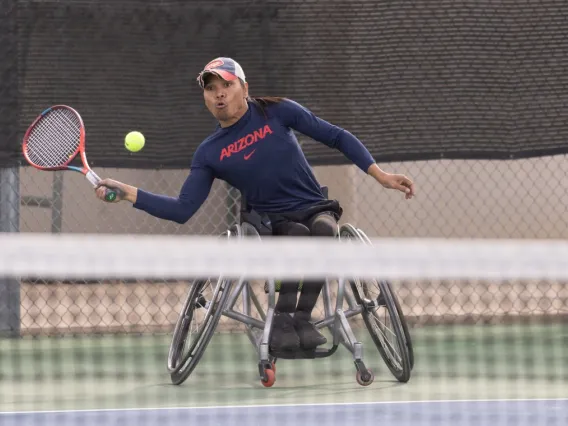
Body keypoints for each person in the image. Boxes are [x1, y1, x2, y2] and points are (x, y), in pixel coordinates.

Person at [95, 57, 415, 353]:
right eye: (211, 89)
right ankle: (282, 321)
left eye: (226, 85)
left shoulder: (277, 111)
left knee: (324, 232)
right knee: (298, 238)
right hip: (271, 220)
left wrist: (380, 174)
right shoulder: (209, 153)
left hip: (314, 204)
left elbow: (337, 136)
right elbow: (183, 209)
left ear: (244, 88)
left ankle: (300, 318)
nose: (219, 94)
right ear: (205, 98)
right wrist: (128, 193)